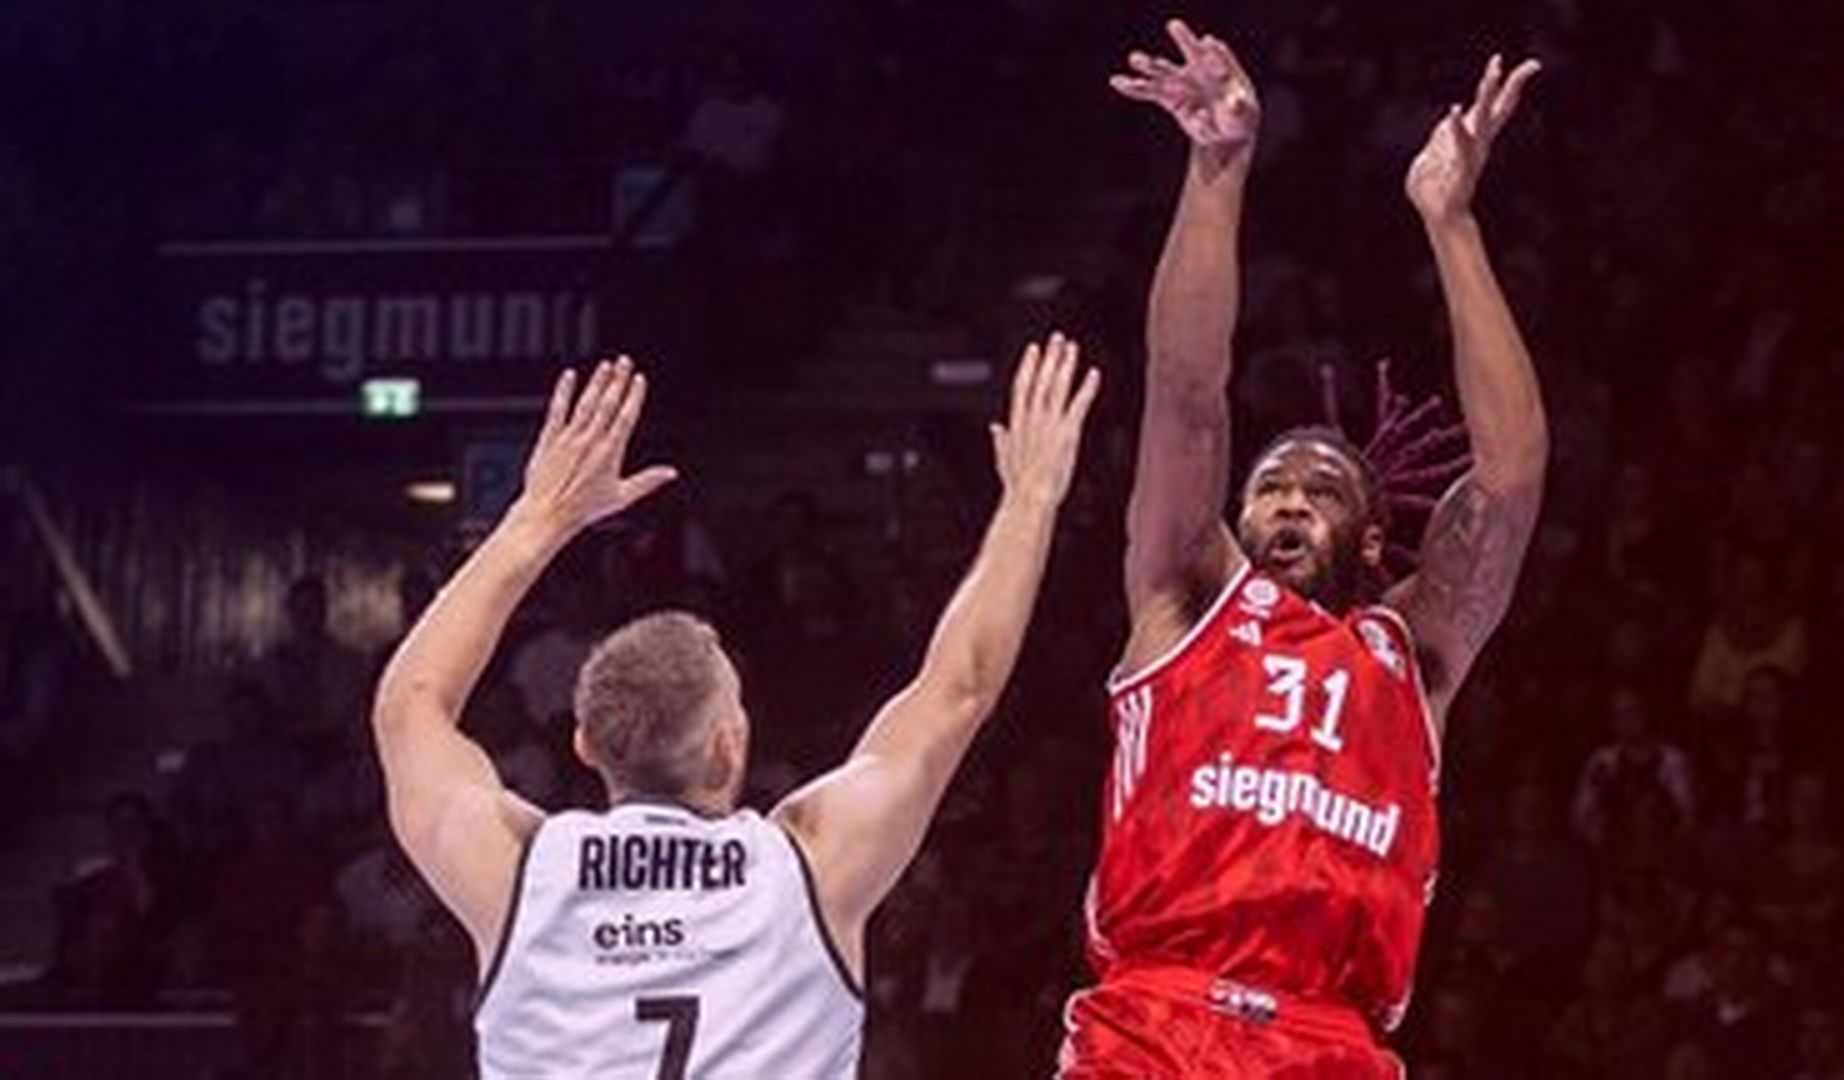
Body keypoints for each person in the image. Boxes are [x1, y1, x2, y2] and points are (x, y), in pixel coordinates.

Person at [373, 340, 1099, 1078]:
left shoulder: (518, 871)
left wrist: (538, 519)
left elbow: (409, 710)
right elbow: (961, 686)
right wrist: (1030, 500)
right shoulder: (808, 866)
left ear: (585, 743)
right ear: (729, 745)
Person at [1060, 20, 1547, 1078]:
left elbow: (1510, 478)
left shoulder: (1411, 655)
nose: (1285, 504)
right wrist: (1217, 170)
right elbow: (1186, 390)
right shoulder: (1186, 597)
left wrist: (1451, 223)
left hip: (1329, 1040)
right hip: (1157, 1020)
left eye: (1318, 493)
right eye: (1269, 487)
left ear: (1369, 538)